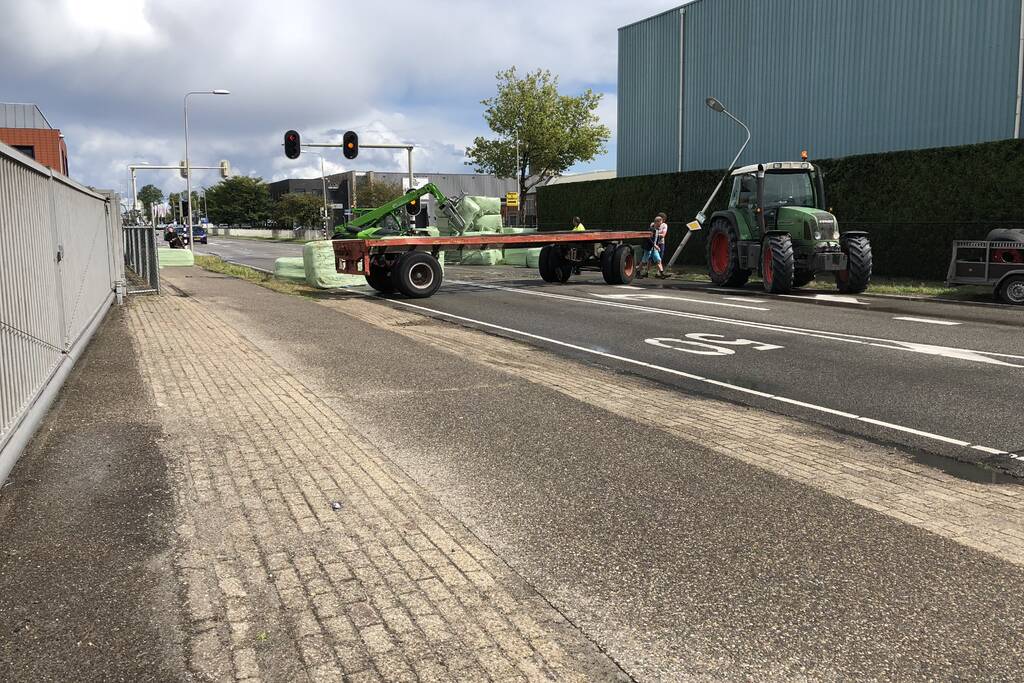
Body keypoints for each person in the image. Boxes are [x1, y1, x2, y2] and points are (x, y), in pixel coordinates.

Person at [639, 213, 668, 278]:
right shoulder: (651, 230)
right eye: (659, 223)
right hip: (649, 248)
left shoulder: (657, 230)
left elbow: (657, 239)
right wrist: (654, 245)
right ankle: (638, 272)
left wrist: (656, 246)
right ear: (656, 222)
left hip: (654, 249)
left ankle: (661, 273)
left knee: (658, 260)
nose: (660, 225)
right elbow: (648, 239)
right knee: (644, 261)